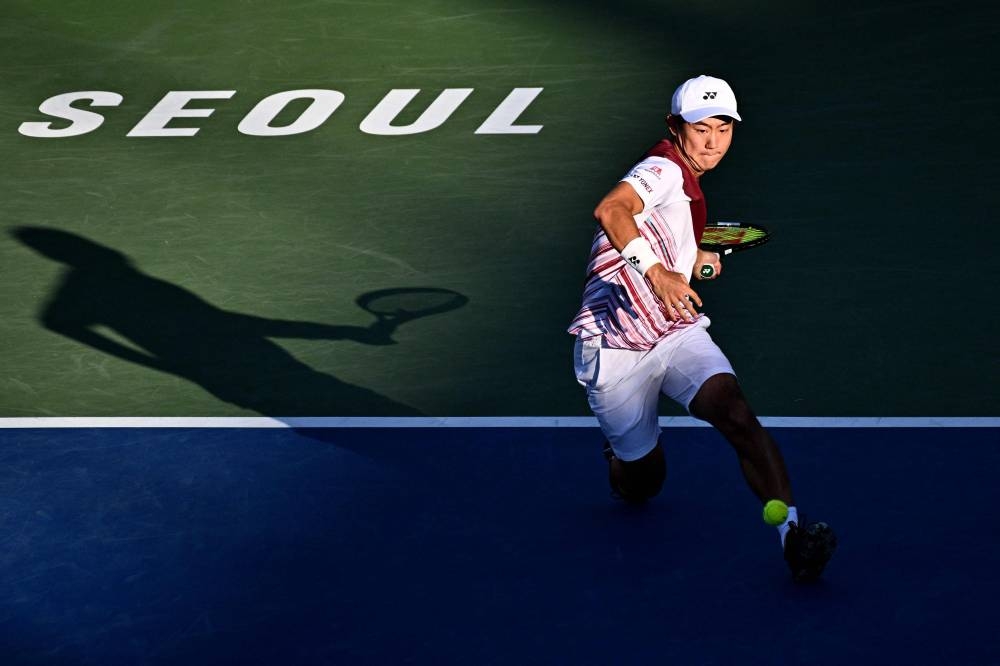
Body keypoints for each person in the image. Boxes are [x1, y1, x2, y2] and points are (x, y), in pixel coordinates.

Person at [567, 75, 836, 582]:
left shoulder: (688, 183)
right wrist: (657, 271)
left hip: (672, 329)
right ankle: (620, 458)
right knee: (643, 484)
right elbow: (612, 209)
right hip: (613, 342)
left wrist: (694, 262)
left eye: (723, 129)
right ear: (675, 127)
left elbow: (675, 248)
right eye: (700, 129)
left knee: (735, 411)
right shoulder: (663, 168)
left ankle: (793, 533)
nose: (712, 142)